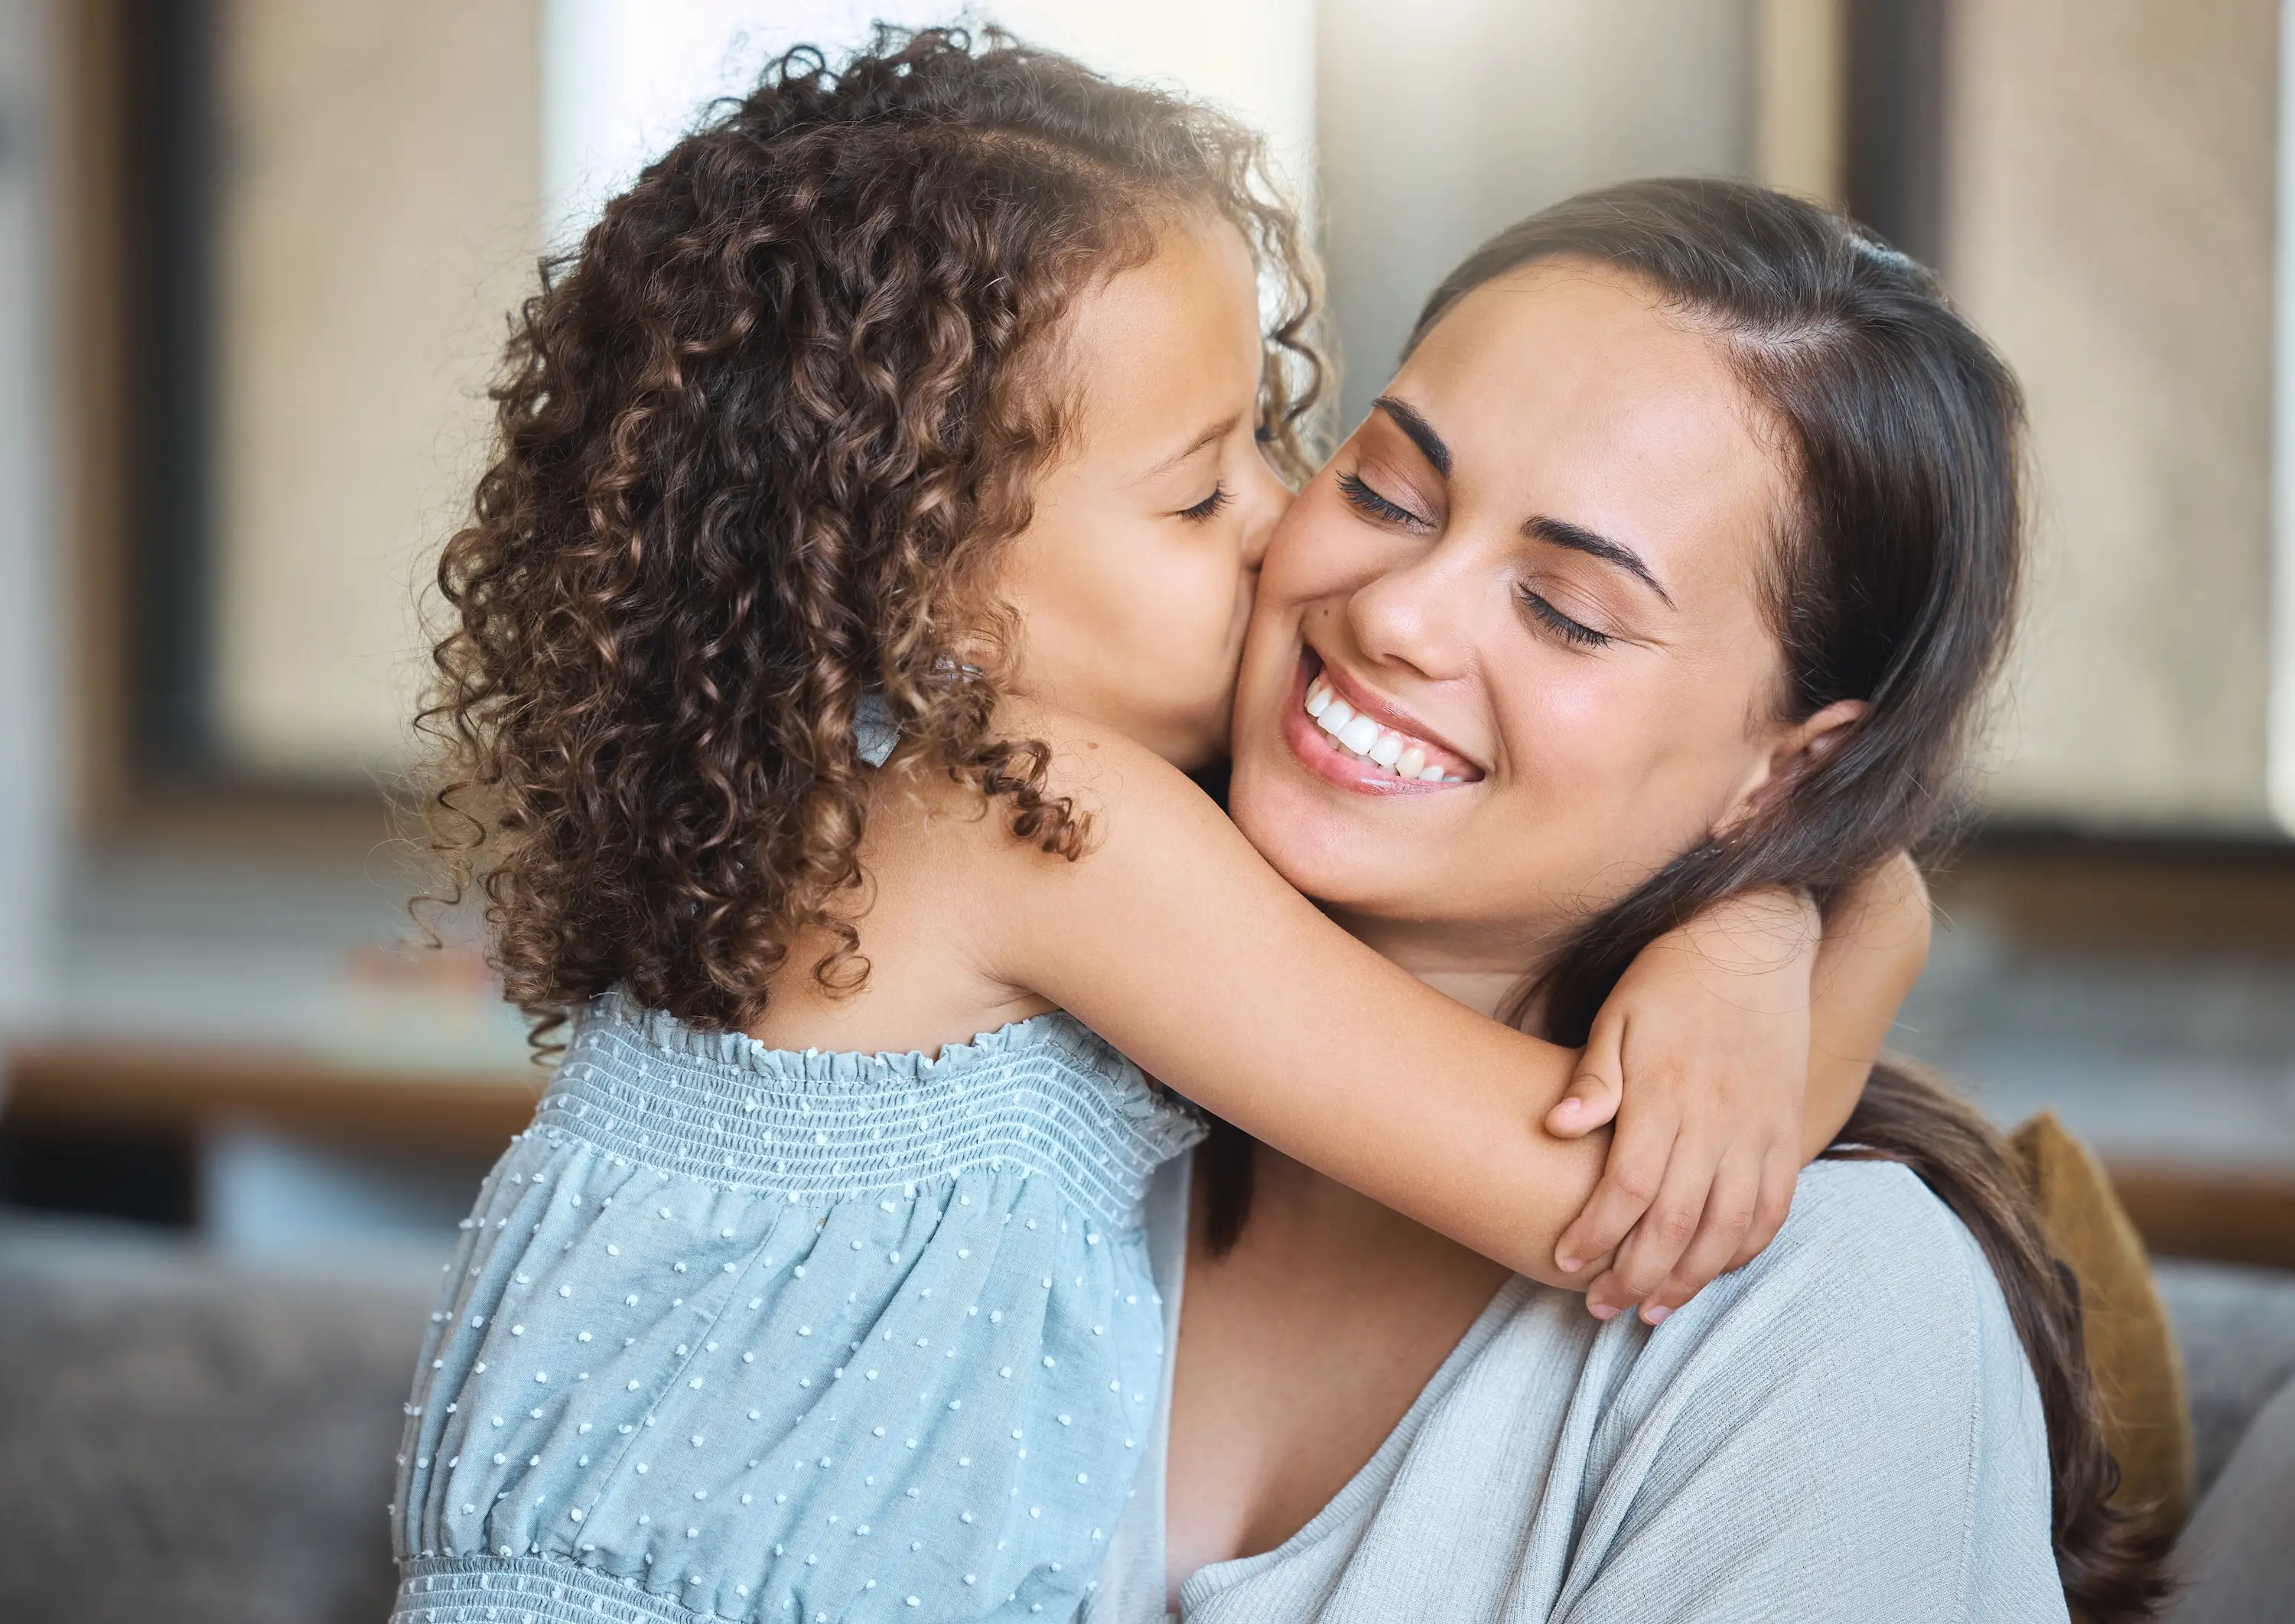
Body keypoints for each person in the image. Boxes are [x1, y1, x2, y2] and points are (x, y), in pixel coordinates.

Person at [387, 34, 1926, 1624]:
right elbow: (1609, 1203)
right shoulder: (1021, 813)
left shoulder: (876, 812)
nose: (1284, 524)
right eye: (1201, 492)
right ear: (927, 588)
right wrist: (1824, 906)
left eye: (1272, 433)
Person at [1128, 179, 2171, 1623]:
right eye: (1384, 489)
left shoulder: (1832, 1309)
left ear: (1784, 771)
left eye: (1566, 609)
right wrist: (1786, 908)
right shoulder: (1001, 1049)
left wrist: (1795, 901)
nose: (1396, 613)